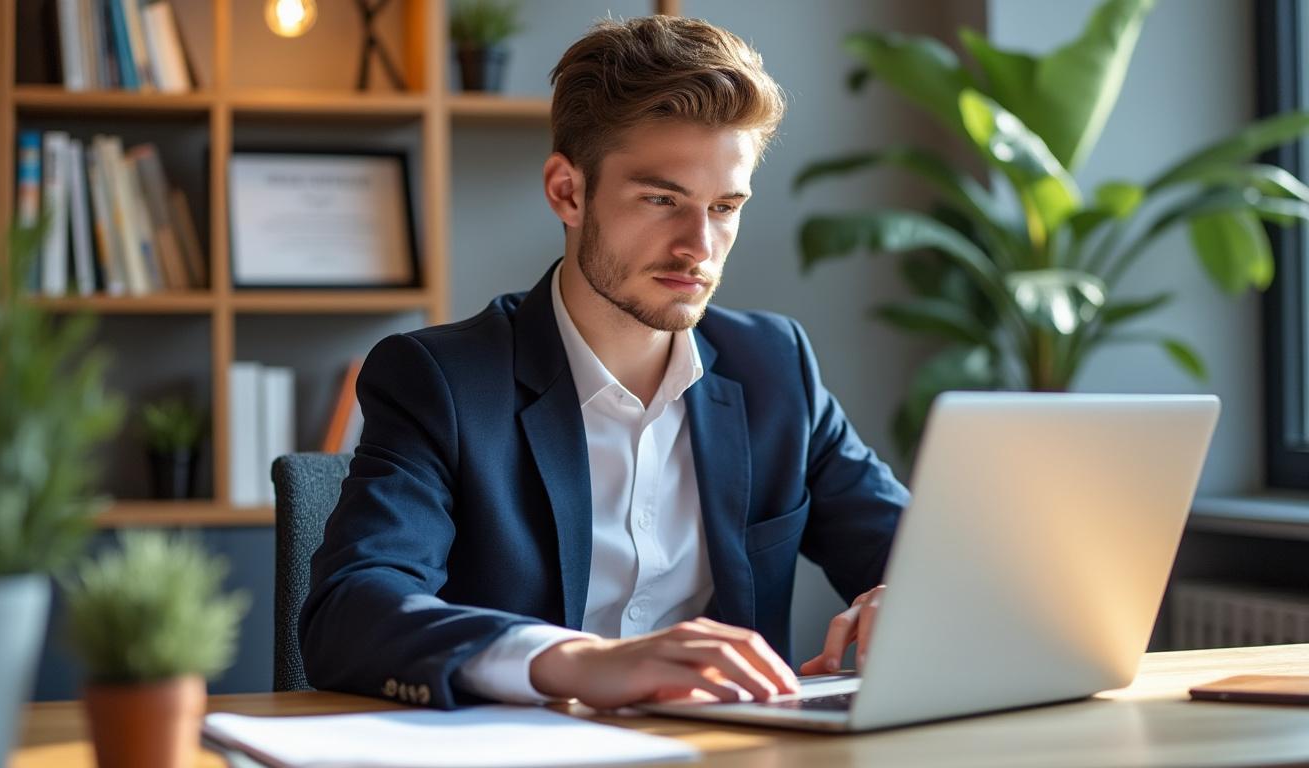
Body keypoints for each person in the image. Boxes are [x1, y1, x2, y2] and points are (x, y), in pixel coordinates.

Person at [299, 14, 910, 711]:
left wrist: (921, 594)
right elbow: (350, 611)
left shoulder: (776, 369)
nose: (698, 247)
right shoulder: (441, 382)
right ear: (567, 191)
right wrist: (574, 660)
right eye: (661, 200)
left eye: (724, 206)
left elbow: (920, 556)